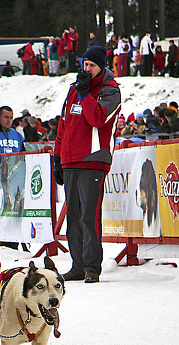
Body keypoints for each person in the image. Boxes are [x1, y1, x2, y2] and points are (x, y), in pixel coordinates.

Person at [53, 46, 121, 283]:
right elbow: (63, 125)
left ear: (101, 67)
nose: (87, 69)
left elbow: (98, 119)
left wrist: (85, 95)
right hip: (70, 159)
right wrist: (57, 157)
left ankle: (92, 267)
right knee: (73, 216)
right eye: (85, 64)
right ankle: (78, 266)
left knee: (88, 216)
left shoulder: (110, 91)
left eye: (92, 65)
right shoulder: (73, 90)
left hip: (93, 160)